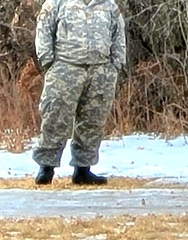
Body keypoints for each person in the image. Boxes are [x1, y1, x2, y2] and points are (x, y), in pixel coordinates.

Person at [32, 0, 127, 186]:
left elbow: (118, 34)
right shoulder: (57, 3)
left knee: (93, 121)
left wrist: (115, 64)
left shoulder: (108, 5)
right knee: (55, 117)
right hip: (65, 68)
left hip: (100, 71)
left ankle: (83, 170)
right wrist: (48, 62)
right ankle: (46, 167)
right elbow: (43, 30)